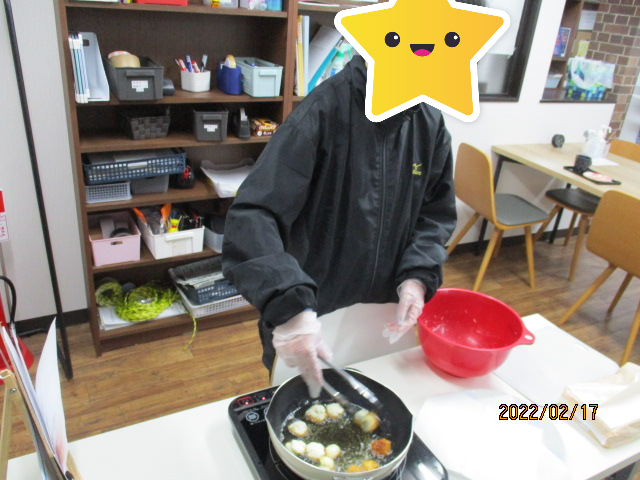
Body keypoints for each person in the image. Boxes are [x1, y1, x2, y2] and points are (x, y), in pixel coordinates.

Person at [222, 54, 456, 397]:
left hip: (385, 318)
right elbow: (253, 216)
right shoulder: (321, 112)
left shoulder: (428, 123)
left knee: (386, 401)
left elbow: (435, 213)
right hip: (314, 318)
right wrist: (288, 305)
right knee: (305, 405)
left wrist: (418, 275)